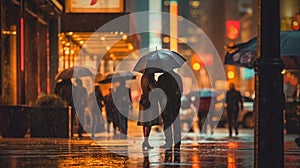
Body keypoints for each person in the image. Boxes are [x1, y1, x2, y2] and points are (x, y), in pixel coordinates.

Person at [157, 70, 183, 149]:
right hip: (175, 103)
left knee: (167, 123)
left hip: (165, 103)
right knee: (176, 122)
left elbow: (158, 92)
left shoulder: (161, 78)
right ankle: (177, 142)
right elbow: (181, 90)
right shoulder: (177, 77)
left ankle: (168, 141)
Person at [137, 73, 160, 150]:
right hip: (150, 101)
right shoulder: (150, 78)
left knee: (145, 122)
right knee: (149, 122)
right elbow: (154, 89)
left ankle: (145, 141)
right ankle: (146, 141)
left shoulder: (143, 77)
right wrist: (156, 84)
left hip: (144, 100)